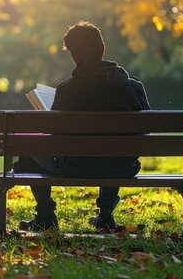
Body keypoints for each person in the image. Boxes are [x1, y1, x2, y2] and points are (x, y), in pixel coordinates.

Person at [15, 21, 151, 232]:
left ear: (74, 55)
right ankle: (105, 215)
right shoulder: (134, 87)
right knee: (113, 149)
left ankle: (45, 216)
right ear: (102, 49)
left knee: (30, 148)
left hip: (76, 164)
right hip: (123, 165)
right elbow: (146, 131)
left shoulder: (67, 91)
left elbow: (54, 138)